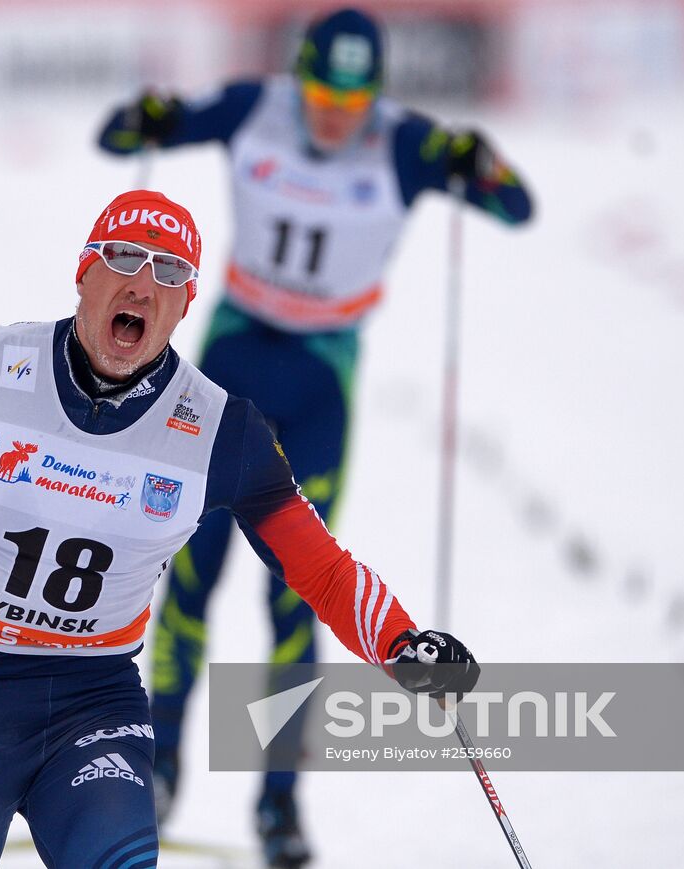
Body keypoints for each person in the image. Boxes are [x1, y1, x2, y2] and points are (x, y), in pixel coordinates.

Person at [0, 188, 480, 869]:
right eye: (124, 258)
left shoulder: (221, 430)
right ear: (84, 273)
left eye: (169, 270)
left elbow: (320, 568)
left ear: (185, 304)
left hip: (91, 702)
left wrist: (401, 642)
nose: (143, 283)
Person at [95, 8, 532, 863]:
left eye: (355, 93)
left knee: (295, 596)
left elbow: (512, 205)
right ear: (301, 75)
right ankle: (158, 766)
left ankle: (280, 805)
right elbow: (124, 138)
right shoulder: (257, 107)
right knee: (189, 571)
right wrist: (142, 116)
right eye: (324, 89)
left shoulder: (405, 143)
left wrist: (484, 163)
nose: (337, 111)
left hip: (320, 384)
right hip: (228, 363)